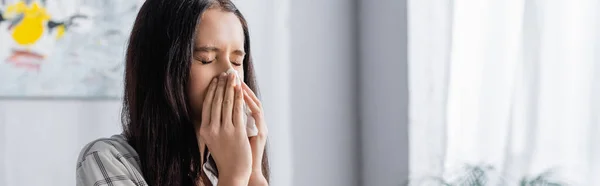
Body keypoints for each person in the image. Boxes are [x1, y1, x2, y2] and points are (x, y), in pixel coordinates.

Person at [75, 0, 269, 185]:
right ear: (161, 67)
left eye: (237, 62)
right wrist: (234, 177)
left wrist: (253, 174)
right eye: (206, 59)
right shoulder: (107, 160)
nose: (230, 74)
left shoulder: (227, 166)